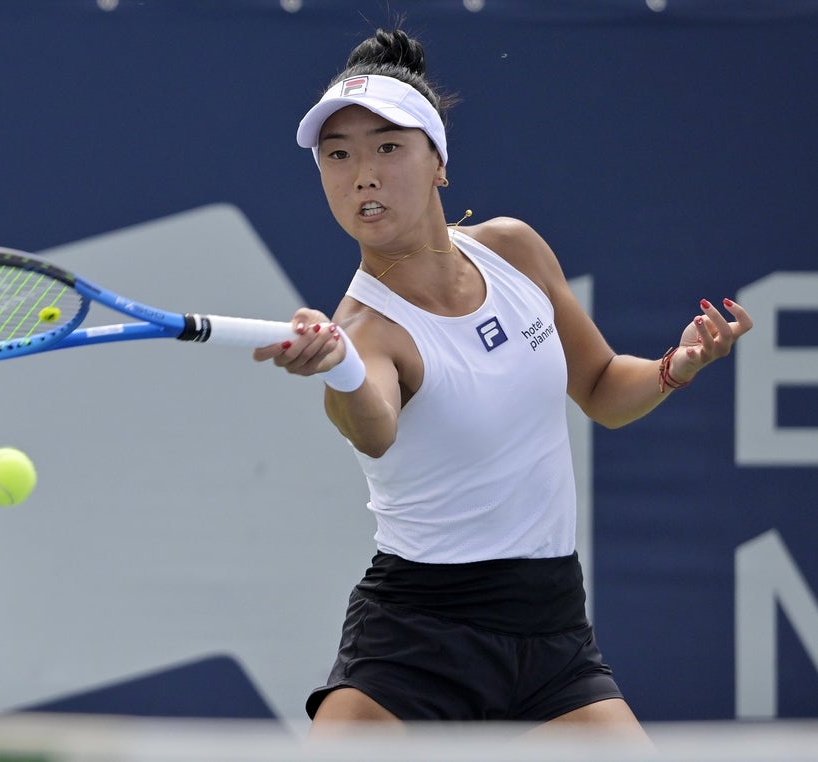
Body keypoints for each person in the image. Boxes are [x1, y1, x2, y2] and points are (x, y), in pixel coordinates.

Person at [253, 28, 752, 738]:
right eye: (337, 155)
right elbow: (373, 427)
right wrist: (338, 367)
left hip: (551, 634)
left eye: (387, 147)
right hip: (413, 642)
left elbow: (602, 387)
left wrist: (678, 366)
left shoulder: (514, 250)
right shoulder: (365, 331)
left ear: (438, 163)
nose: (361, 174)